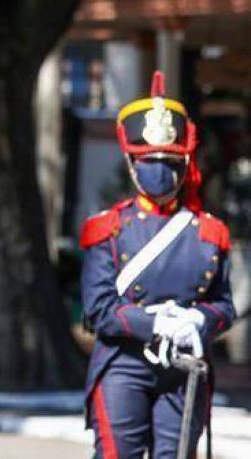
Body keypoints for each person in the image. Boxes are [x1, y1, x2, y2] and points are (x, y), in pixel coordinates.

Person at [80, 70, 235, 458]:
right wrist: (156, 323)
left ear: (185, 164)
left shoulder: (209, 232)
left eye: (170, 159)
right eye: (149, 159)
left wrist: (198, 321)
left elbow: (224, 304)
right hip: (122, 364)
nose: (160, 168)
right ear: (132, 166)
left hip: (184, 367)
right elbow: (99, 309)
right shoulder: (108, 229)